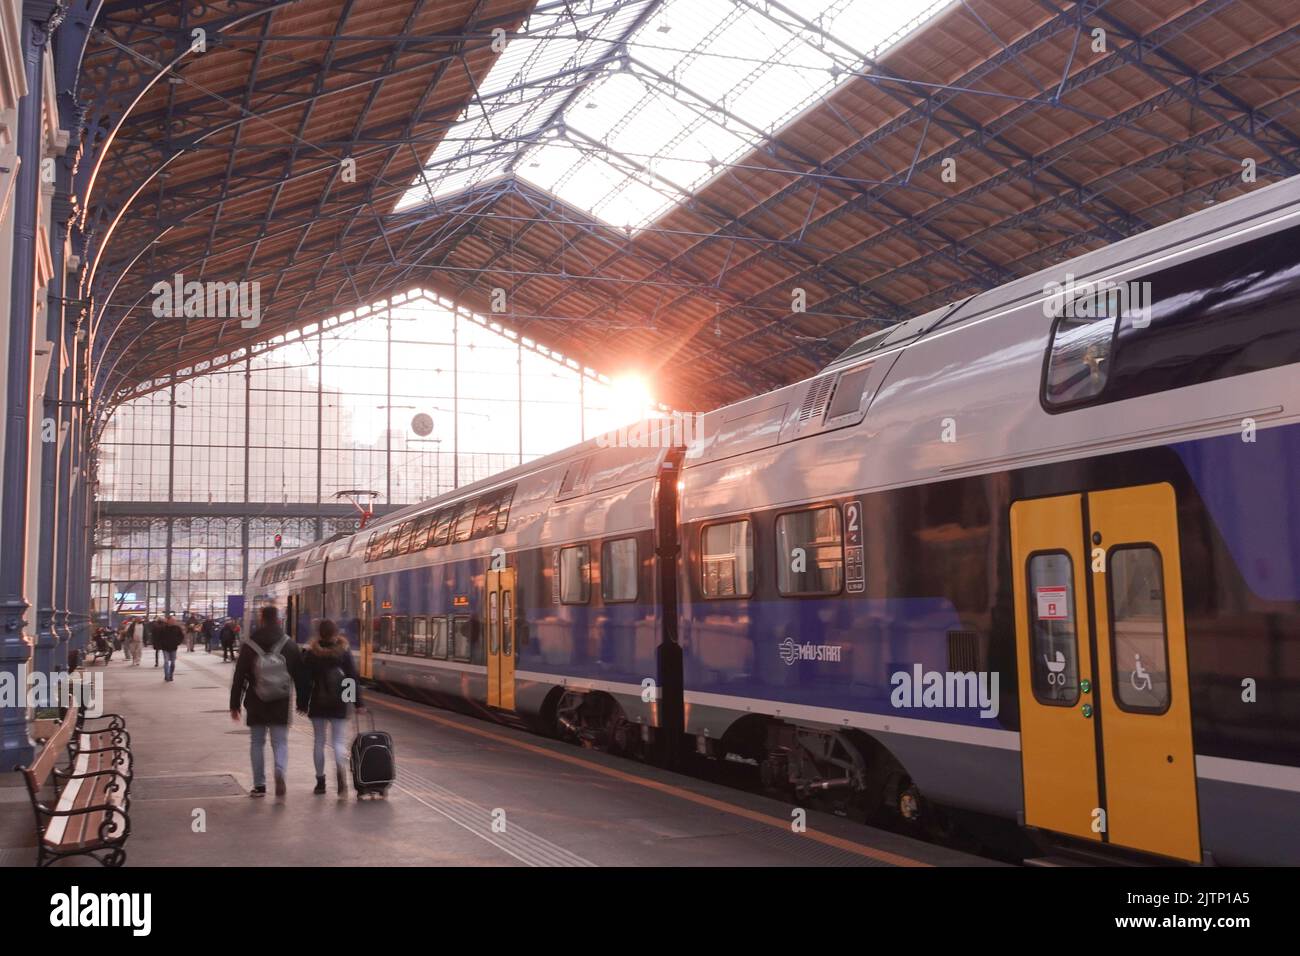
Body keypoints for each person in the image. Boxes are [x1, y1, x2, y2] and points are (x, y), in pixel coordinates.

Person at [230, 605, 303, 798]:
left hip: (256, 701)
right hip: (280, 700)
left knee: (257, 742)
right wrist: (303, 701)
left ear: (261, 619)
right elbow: (301, 675)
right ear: (278, 620)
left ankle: (259, 785)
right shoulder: (289, 644)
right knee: (280, 742)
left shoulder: (250, 644)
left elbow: (239, 676)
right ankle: (279, 771)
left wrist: (234, 704)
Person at [297, 620, 363, 797]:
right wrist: (355, 703)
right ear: (336, 633)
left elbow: (305, 682)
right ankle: (341, 773)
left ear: (319, 633)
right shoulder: (344, 652)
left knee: (319, 742)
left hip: (318, 704)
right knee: (338, 742)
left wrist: (302, 703)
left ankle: (320, 782)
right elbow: (351, 678)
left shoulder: (311, 653)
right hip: (339, 704)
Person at [153, 614, 184, 681]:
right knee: (166, 661)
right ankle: (166, 676)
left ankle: (171, 674)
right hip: (165, 648)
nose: (173, 621)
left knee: (173, 663)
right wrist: (160, 644)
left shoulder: (177, 628)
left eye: (174, 620)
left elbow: (181, 636)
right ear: (168, 620)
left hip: (173, 647)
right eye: (172, 620)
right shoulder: (163, 628)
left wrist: (178, 642)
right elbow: (158, 637)